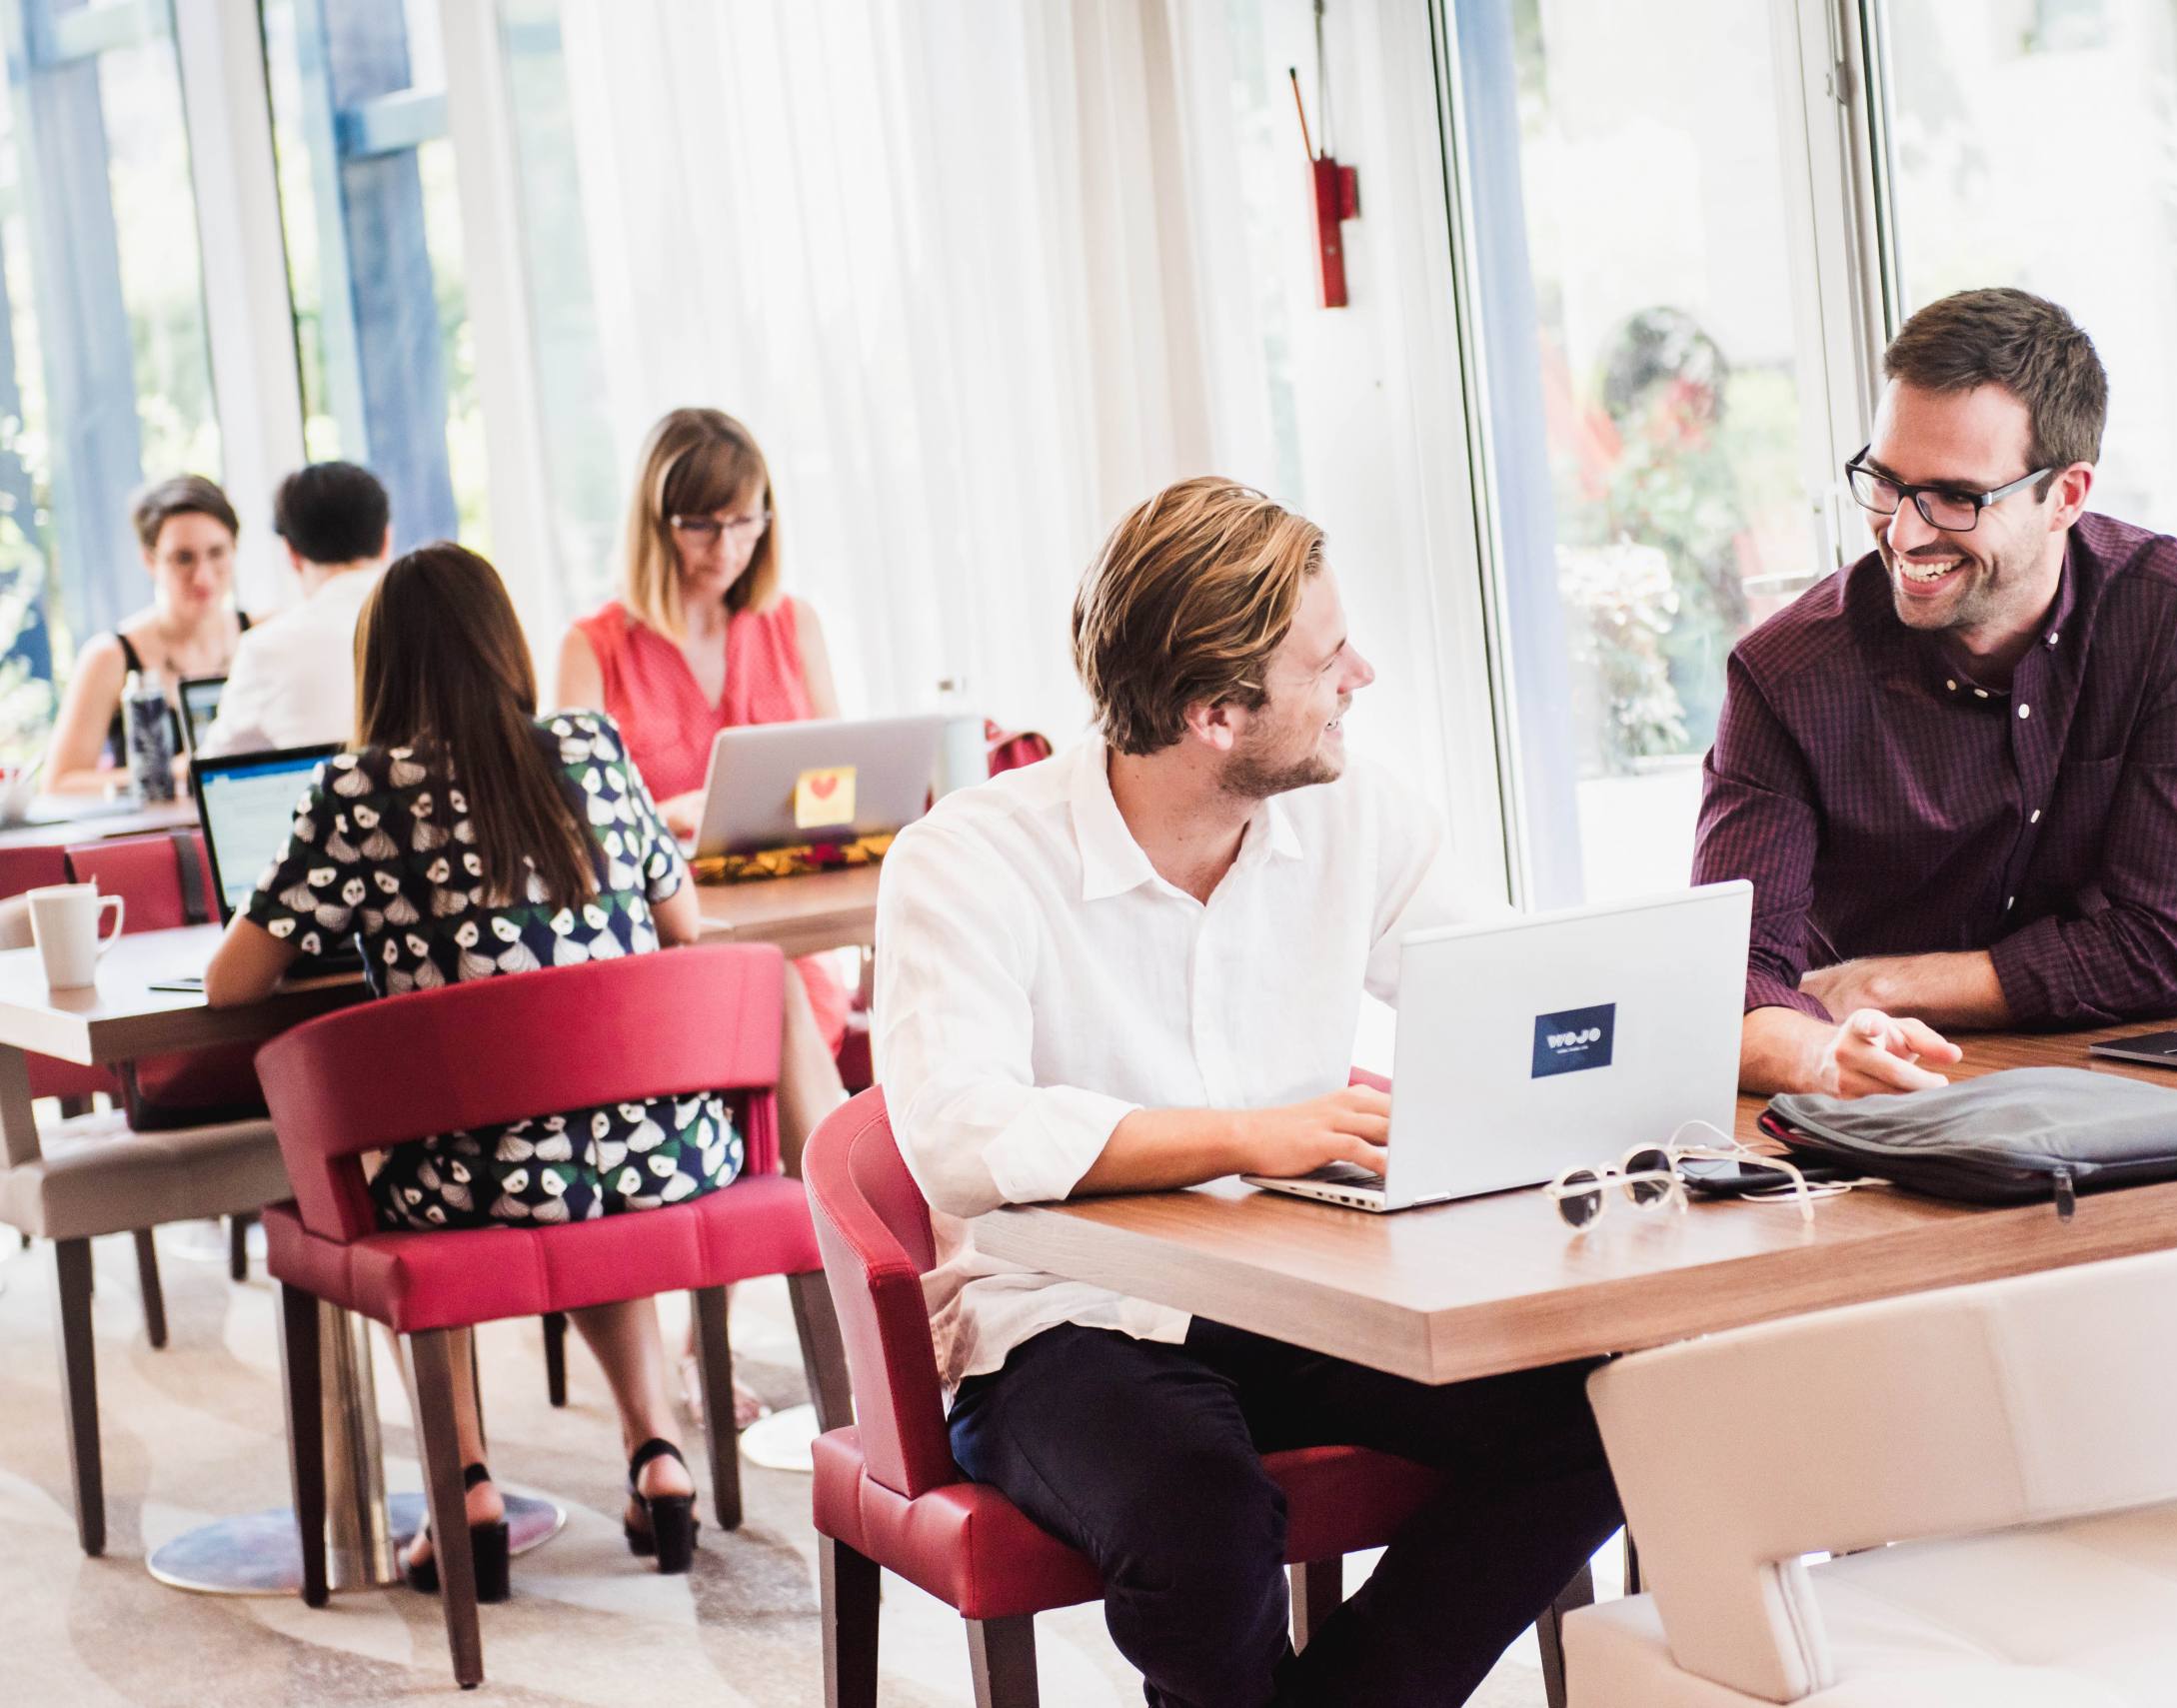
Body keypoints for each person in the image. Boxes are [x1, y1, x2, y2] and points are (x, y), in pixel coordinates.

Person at [873, 476, 1622, 1708]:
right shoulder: (971, 857)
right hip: (1063, 1315)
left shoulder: (1353, 817)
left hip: (1304, 1287)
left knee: (1602, 1409)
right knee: (1202, 1523)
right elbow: (959, 1134)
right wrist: (1243, 1137)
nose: (1359, 676)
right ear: (1215, 712)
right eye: (1328, 660)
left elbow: (1503, 993)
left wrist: (1738, 1041)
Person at [206, 543, 734, 1592]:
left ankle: (467, 1489)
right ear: (506, 647)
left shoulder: (355, 791)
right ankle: (658, 1454)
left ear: (384, 668)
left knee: (437, 1160)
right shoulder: (590, 745)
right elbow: (687, 923)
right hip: (652, 1154)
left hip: (465, 1184)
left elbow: (231, 982)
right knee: (570, 1134)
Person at [1692, 287, 2177, 1099]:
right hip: (1888, 1101)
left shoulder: (2164, 609)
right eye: (1885, 481)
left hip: (2114, 1084)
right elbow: (1725, 985)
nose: (1905, 532)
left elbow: (2170, 948)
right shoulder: (1785, 676)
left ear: (2066, 495)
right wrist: (1824, 1053)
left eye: (1956, 497)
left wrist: (1880, 986)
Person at [554, 406, 849, 1129]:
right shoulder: (592, 649)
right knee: (764, 974)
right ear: (657, 524)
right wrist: (662, 816)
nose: (729, 546)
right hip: (662, 944)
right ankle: (844, 1201)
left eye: (747, 521)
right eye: (704, 525)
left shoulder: (792, 623)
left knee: (779, 973)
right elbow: (566, 831)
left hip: (794, 927)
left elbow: (839, 785)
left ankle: (830, 1207)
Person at [40, 475, 249, 794]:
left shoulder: (263, 636)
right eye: (183, 558)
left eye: (217, 553)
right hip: (158, 838)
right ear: (149, 560)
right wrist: (173, 773)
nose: (203, 575)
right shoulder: (110, 656)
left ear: (235, 548)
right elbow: (59, 783)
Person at [199, 461, 393, 757]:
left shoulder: (267, 649)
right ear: (386, 540)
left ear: (290, 551)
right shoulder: (453, 619)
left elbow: (212, 771)